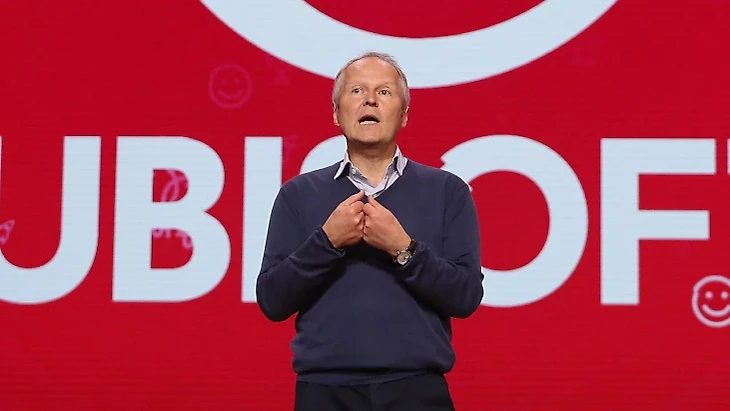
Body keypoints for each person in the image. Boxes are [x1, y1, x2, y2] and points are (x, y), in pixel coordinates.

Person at [256, 51, 484, 411]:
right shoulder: (298, 194)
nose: (370, 100)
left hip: (416, 390)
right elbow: (272, 300)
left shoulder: (447, 191)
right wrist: (327, 242)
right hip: (324, 392)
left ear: (404, 115)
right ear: (336, 113)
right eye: (357, 90)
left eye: (384, 92)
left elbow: (466, 296)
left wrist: (403, 249)